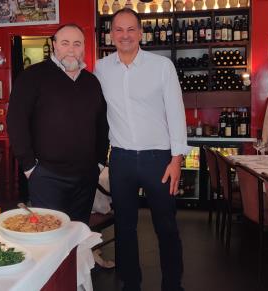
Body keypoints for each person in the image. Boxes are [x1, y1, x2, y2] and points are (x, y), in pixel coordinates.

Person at [94, 8, 188, 291]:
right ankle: (129, 283)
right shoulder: (100, 69)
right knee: (125, 227)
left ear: (141, 32)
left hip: (158, 159)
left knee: (166, 226)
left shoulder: (161, 67)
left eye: (131, 29)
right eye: (119, 30)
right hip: (120, 158)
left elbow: (176, 113)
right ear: (111, 34)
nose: (125, 35)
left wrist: (177, 160)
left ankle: (173, 284)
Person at [7, 24, 109, 225]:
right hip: (47, 177)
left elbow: (102, 124)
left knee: (78, 234)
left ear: (83, 48)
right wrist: (29, 167)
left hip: (86, 177)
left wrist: (99, 162)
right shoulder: (32, 77)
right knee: (50, 235)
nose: (71, 49)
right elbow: (16, 121)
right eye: (65, 43)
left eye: (77, 44)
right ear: (54, 46)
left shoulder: (91, 82)